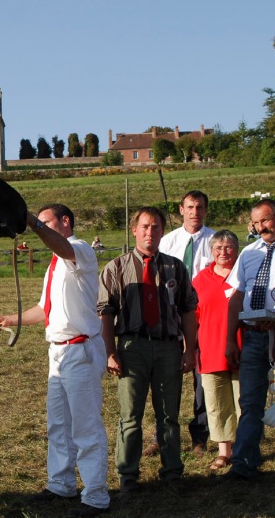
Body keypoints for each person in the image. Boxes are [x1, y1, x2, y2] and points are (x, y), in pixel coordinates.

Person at [0, 205, 111, 518]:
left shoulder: (80, 250)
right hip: (58, 351)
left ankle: (95, 496)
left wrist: (30, 222)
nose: (40, 228)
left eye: (46, 221)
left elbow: (62, 246)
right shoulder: (55, 264)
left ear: (65, 221)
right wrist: (9, 317)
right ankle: (61, 483)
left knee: (85, 426)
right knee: (59, 425)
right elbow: (45, 309)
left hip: (80, 350)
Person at [99, 206, 198, 493]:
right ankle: (127, 475)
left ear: (162, 231)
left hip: (168, 348)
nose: (150, 232)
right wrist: (109, 351)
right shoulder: (115, 268)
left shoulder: (175, 267)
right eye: (144, 227)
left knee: (169, 415)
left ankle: (172, 473)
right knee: (130, 416)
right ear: (134, 230)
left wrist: (189, 349)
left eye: (155, 227)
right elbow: (105, 313)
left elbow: (189, 309)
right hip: (132, 348)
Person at [223, 198, 275, 482]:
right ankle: (244, 461)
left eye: (265, 220)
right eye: (255, 223)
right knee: (250, 400)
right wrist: (231, 339)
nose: (260, 227)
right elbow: (237, 296)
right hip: (254, 337)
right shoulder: (249, 253)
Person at [156, 190, 215, 458]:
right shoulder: (167, 242)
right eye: (190, 207)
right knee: (166, 378)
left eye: (200, 207)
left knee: (201, 379)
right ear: (181, 209)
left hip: (204, 320)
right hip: (171, 318)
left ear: (206, 210)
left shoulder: (216, 241)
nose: (195, 212)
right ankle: (163, 435)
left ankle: (200, 435)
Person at [192, 230, 242, 471]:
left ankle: (244, 449)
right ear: (211, 252)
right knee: (216, 403)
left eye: (229, 247)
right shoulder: (200, 279)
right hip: (210, 350)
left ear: (237, 249)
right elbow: (192, 317)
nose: (223, 252)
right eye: (218, 248)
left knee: (243, 401)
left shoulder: (244, 275)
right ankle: (224, 451)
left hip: (242, 348)